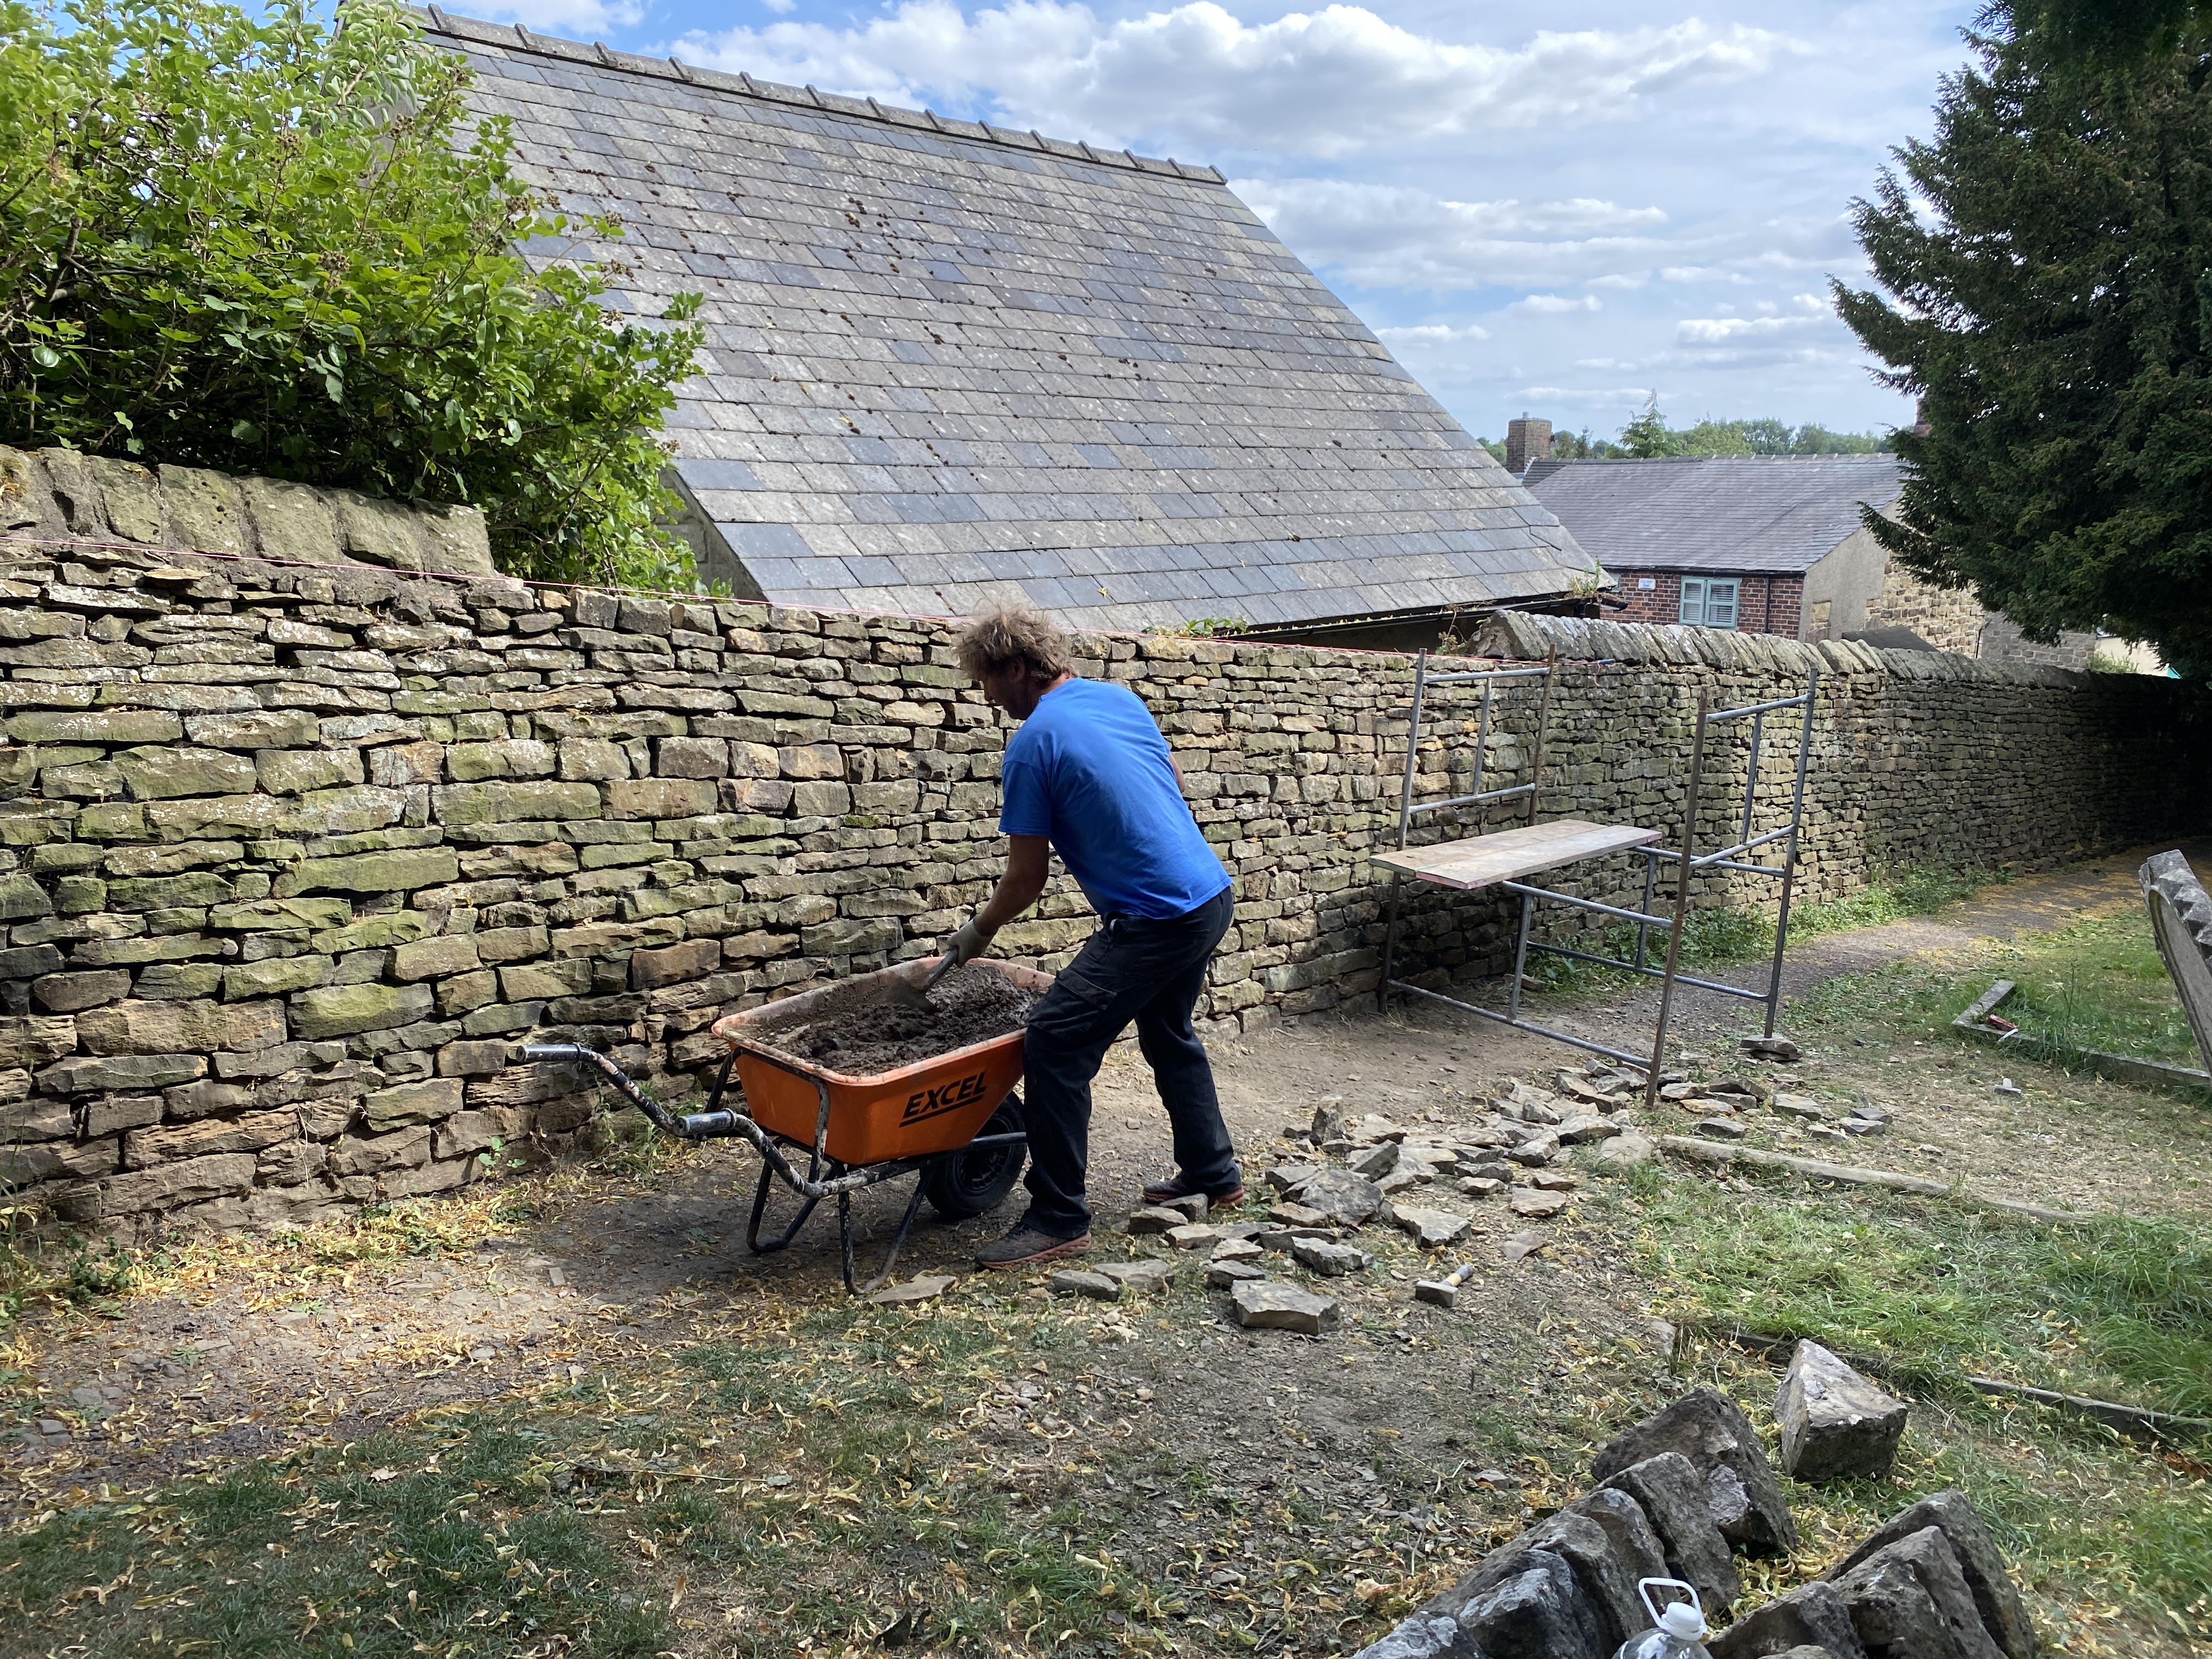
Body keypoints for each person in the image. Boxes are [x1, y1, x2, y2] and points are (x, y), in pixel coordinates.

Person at [942, 604, 1241, 1268]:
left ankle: (1057, 1218)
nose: (987, 697)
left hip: (1158, 917)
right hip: (1208, 894)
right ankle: (1213, 1172)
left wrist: (977, 932)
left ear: (1018, 668)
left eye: (987, 680)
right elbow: (1173, 785)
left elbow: (1026, 880)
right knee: (1169, 1032)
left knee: (1054, 1041)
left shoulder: (1032, 744)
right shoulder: (1118, 699)